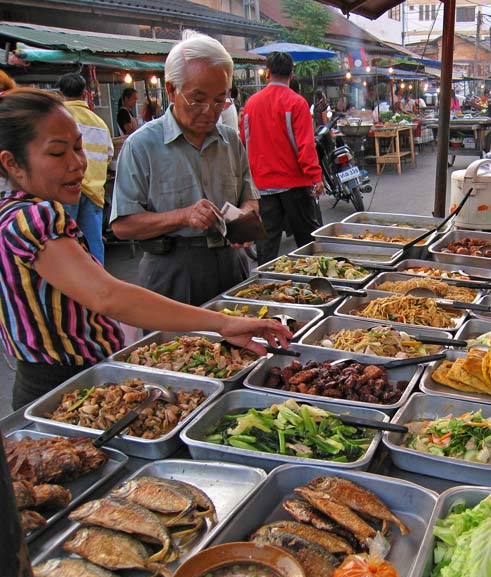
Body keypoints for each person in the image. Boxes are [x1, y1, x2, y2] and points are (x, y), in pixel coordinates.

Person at [0, 88, 292, 410]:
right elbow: (107, 296)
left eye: (78, 147)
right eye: (58, 153)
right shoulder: (36, 218)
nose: (77, 163)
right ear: (12, 164)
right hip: (63, 384)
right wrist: (223, 323)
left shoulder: (11, 213)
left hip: (55, 379)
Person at [111, 30, 259, 306]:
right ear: (171, 90)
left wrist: (246, 218)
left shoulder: (230, 140)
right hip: (172, 270)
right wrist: (183, 216)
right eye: (198, 99)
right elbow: (122, 225)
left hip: (231, 265)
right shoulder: (141, 145)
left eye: (220, 100)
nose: (209, 110)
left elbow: (249, 197)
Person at [240, 51, 322, 265]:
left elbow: (244, 143)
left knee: (266, 248)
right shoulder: (296, 102)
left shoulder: (251, 104)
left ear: (267, 73)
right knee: (308, 243)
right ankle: (316, 287)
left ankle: (267, 288)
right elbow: (306, 145)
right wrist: (315, 177)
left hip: (263, 187)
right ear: (291, 74)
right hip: (294, 184)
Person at [57, 72, 114, 265]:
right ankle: (97, 285)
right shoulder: (99, 123)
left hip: (65, 190)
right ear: (85, 94)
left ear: (60, 93)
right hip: (94, 192)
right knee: (93, 244)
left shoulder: (54, 118)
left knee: (64, 244)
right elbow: (108, 155)